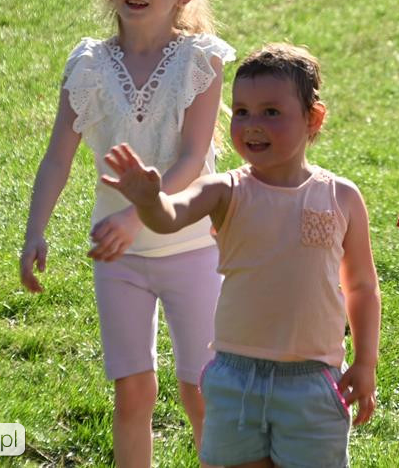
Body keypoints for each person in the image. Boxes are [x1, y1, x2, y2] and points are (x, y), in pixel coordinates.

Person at [101, 43, 381, 468]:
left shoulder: (341, 197)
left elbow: (361, 285)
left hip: (311, 382)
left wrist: (365, 362)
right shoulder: (224, 189)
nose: (252, 124)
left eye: (271, 112)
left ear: (313, 119)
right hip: (235, 381)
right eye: (242, 111)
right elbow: (170, 216)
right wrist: (149, 201)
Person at [18, 0, 235, 467]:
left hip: (192, 250)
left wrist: (140, 216)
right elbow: (57, 158)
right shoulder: (87, 64)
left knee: (202, 393)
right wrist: (34, 230)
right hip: (117, 258)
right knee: (132, 392)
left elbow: (193, 161)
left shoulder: (200, 60)